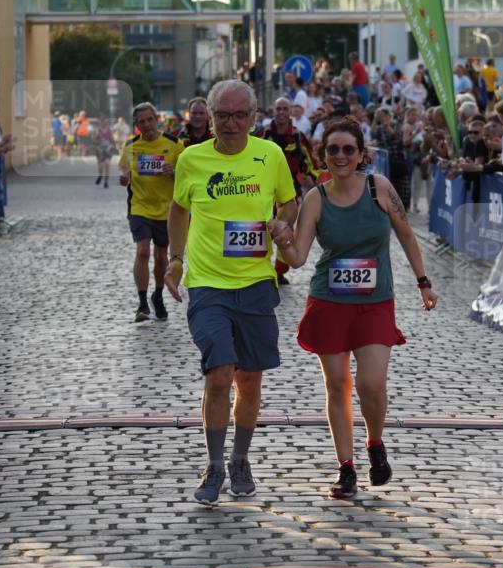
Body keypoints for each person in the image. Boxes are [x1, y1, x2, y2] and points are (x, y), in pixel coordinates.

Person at [270, 117, 437, 499]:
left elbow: (407, 235)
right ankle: (345, 468)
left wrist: (423, 281)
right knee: (338, 385)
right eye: (333, 150)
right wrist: (282, 238)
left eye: (348, 149)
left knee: (371, 384)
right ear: (322, 154)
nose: (341, 156)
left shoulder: (380, 189)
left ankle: (374, 443)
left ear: (361, 154)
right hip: (329, 301)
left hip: (375, 302)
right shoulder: (316, 198)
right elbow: (297, 259)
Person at [164, 80, 297, 508]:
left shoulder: (270, 156)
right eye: (223, 115)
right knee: (219, 372)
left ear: (254, 118)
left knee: (250, 381)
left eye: (240, 115)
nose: (231, 123)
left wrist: (282, 224)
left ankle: (241, 458)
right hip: (207, 283)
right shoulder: (192, 159)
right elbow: (180, 208)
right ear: (210, 117)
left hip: (256, 282)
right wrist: (175, 258)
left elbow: (289, 204)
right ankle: (215, 464)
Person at [118, 102, 184, 322]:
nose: (146, 125)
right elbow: (123, 169)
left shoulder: (174, 145)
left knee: (160, 256)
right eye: (141, 122)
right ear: (136, 125)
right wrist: (124, 176)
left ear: (157, 119)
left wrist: (173, 171)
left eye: (149, 120)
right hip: (140, 206)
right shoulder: (130, 146)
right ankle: (142, 302)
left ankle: (158, 295)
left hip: (166, 209)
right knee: (143, 251)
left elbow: (187, 176)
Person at [259, 96, 319, 284]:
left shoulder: (297, 135)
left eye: (285, 109)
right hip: (264, 190)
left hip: (289, 192)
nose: (282, 112)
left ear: (290, 111)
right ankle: (261, 265)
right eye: (279, 109)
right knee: (262, 228)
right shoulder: (262, 133)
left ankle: (279, 271)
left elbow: (309, 159)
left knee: (285, 228)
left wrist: (314, 176)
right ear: (273, 111)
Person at [94, 116, 114, 187]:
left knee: (107, 164)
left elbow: (112, 141)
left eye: (106, 123)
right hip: (100, 150)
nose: (105, 124)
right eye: (103, 123)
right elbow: (95, 141)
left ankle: (106, 182)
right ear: (101, 123)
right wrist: (98, 146)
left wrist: (111, 146)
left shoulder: (109, 131)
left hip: (107, 150)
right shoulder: (97, 131)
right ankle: (100, 176)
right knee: (101, 166)